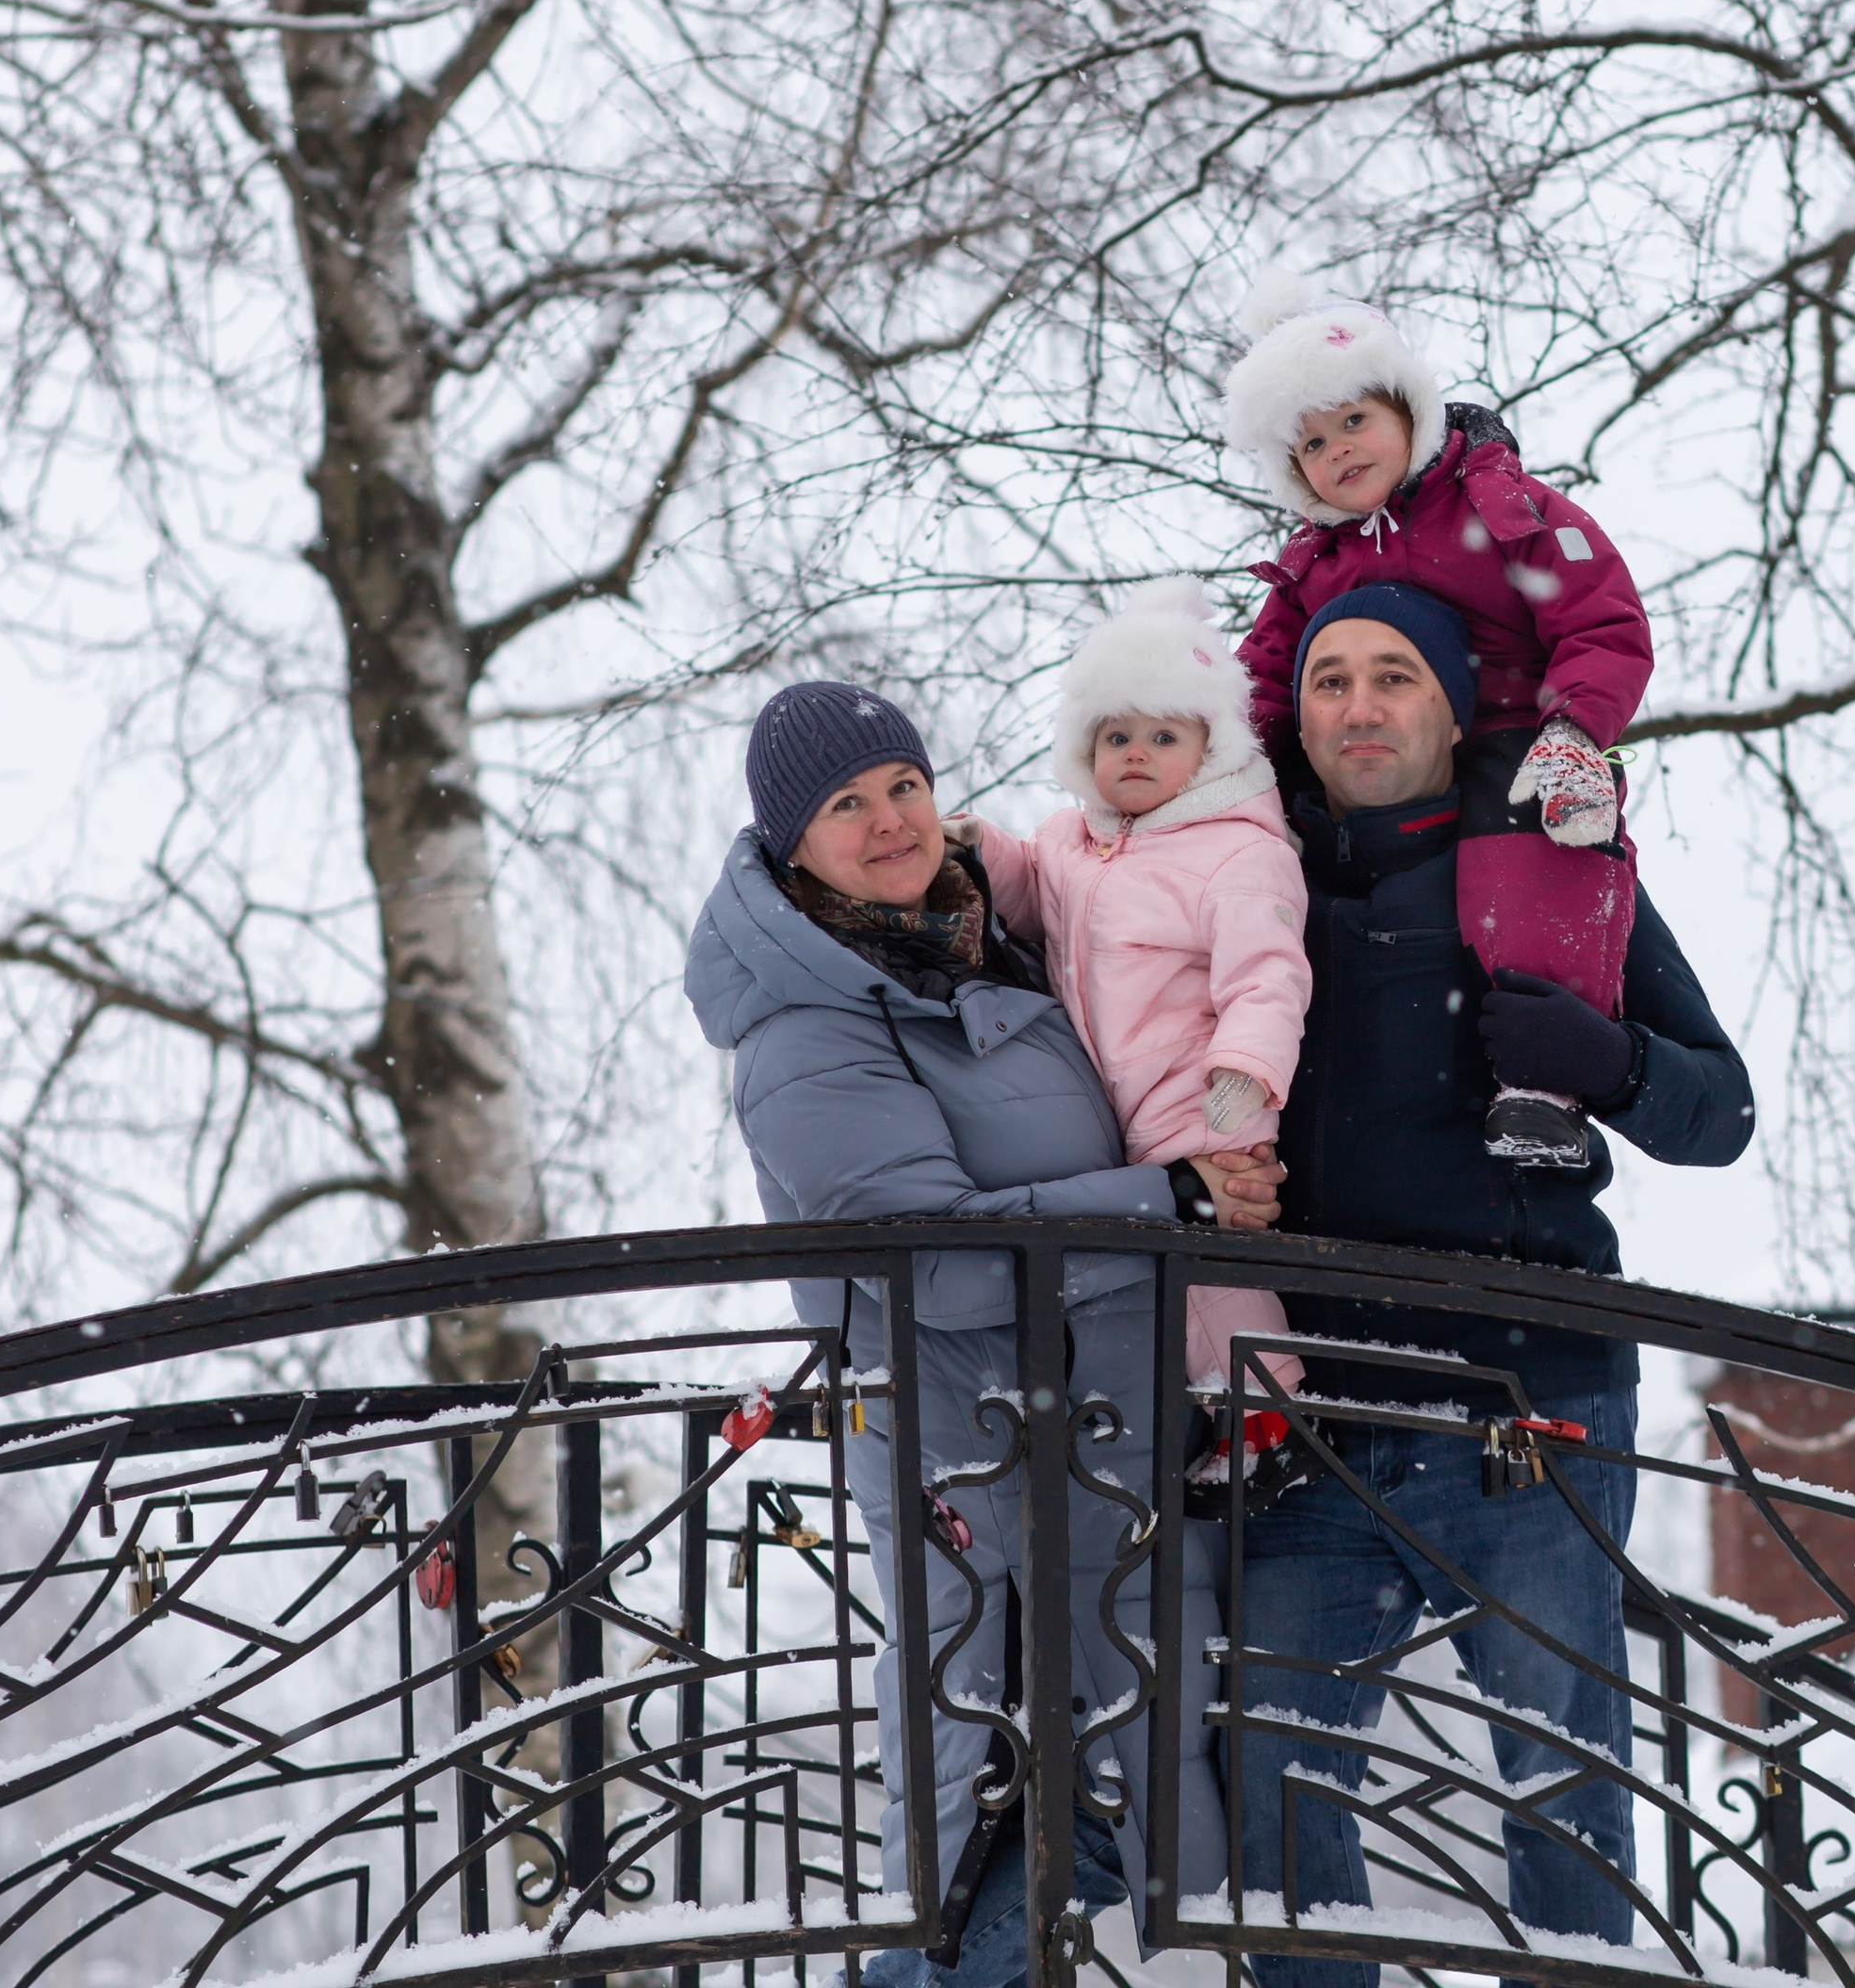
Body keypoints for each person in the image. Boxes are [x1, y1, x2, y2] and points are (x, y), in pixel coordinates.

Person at [683, 680, 1283, 1988]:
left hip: (1104, 1460)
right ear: (794, 848)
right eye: (846, 805)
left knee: (1132, 1849)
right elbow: (935, 1263)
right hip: (986, 1491)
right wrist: (1170, 1198)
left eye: (903, 783)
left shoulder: (981, 948)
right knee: (987, 1857)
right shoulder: (805, 1027)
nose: (891, 819)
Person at [1228, 586, 1754, 1984]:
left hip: (1524, 1405)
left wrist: (1608, 1061)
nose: (1357, 707)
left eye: (1394, 677)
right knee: (1272, 1785)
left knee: (1563, 1791)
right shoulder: (1240, 870)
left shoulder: (1549, 859)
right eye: (1329, 678)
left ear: (1457, 708)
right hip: (1309, 1422)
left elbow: (1722, 1113)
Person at [1221, 272, 1654, 1170]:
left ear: (1411, 412)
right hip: (1380, 781)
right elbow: (1263, 677)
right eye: (1310, 443)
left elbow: (1600, 619)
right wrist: (1232, 764)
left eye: (1353, 422)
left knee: (1538, 841)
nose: (1337, 451)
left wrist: (1575, 731)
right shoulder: (1319, 563)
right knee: (1270, 827)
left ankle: (1542, 1076)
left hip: (1519, 743)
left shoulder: (1501, 507)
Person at [953, 578, 1312, 1501]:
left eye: (1163, 735)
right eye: (1116, 736)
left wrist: (1247, 1075)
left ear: (1209, 747)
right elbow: (1030, 893)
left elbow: (1267, 976)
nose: (1137, 754)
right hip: (1108, 1107)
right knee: (1156, 1272)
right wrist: (982, 851)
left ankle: (1272, 1410)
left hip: (1203, 1097)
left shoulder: (1236, 851)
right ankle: (1220, 1407)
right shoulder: (1072, 842)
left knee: (1203, 1270)